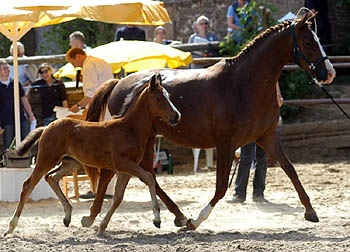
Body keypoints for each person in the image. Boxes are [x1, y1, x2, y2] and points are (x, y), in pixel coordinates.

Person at [232, 82, 283, 203]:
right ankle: (239, 193)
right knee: (246, 157)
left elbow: (279, 101)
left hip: (264, 124)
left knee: (262, 158)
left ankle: (258, 193)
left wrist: (277, 96)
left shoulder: (271, 78)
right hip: (249, 124)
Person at [0, 60, 35, 152]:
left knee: (26, 142)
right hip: (6, 120)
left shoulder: (15, 83)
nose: (7, 70)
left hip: (21, 117)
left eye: (8, 68)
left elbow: (24, 99)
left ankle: (26, 161)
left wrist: (30, 115)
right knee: (8, 145)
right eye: (4, 68)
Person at [65, 48, 113, 113]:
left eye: (73, 63)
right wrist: (84, 80)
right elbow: (101, 83)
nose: (75, 66)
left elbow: (91, 94)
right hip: (110, 103)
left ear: (78, 56)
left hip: (99, 107)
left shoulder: (88, 65)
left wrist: (78, 106)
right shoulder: (101, 61)